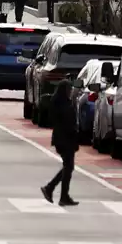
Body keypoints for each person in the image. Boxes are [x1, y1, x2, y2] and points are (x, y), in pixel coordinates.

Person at [41, 78, 79, 206]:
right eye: (69, 89)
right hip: (64, 139)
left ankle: (60, 193)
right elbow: (68, 122)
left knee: (68, 167)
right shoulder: (63, 104)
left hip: (63, 138)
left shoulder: (61, 102)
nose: (70, 91)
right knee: (68, 166)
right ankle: (53, 189)